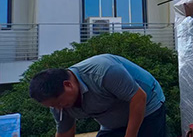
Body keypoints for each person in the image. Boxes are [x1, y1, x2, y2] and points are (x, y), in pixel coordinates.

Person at [28, 54, 166, 137]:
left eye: (59, 103)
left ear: (68, 85)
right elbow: (65, 133)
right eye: (52, 106)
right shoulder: (57, 104)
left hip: (147, 107)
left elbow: (138, 97)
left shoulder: (104, 71)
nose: (59, 108)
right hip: (111, 122)